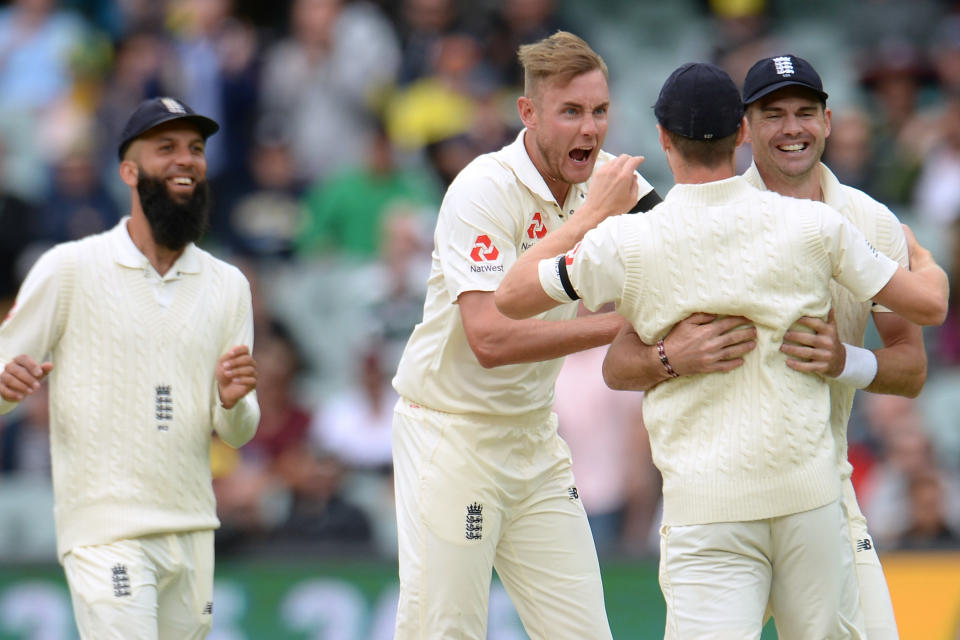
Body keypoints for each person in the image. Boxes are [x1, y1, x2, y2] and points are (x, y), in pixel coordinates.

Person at [494, 62, 949, 639]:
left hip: (736, 504)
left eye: (804, 112)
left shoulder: (632, 238)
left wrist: (589, 217)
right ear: (743, 131)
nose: (791, 128)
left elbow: (510, 295)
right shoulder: (814, 225)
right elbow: (931, 307)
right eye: (774, 114)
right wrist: (930, 265)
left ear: (661, 138)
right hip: (806, 496)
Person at [390, 30, 661, 639]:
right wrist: (616, 320)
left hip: (534, 439)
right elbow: (488, 339)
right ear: (528, 113)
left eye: (598, 112)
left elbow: (686, 250)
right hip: (452, 434)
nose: (589, 130)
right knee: (446, 632)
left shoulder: (616, 183)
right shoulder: (481, 189)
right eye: (570, 112)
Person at [0, 96, 260, 639]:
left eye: (195, 149)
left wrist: (233, 402)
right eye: (166, 148)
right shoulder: (69, 268)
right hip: (105, 531)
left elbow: (237, 431)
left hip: (192, 527)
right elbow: (4, 375)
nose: (186, 159)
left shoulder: (228, 285)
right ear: (128, 170)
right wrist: (6, 387)